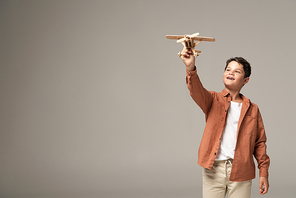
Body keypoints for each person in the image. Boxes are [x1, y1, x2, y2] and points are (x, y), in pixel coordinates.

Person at [180, 48, 270, 198]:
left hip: (242, 170)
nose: (230, 73)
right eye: (228, 69)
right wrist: (190, 68)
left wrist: (264, 173)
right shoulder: (212, 99)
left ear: (246, 80)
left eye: (237, 71)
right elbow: (196, 90)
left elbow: (259, 143)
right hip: (213, 169)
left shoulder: (253, 109)